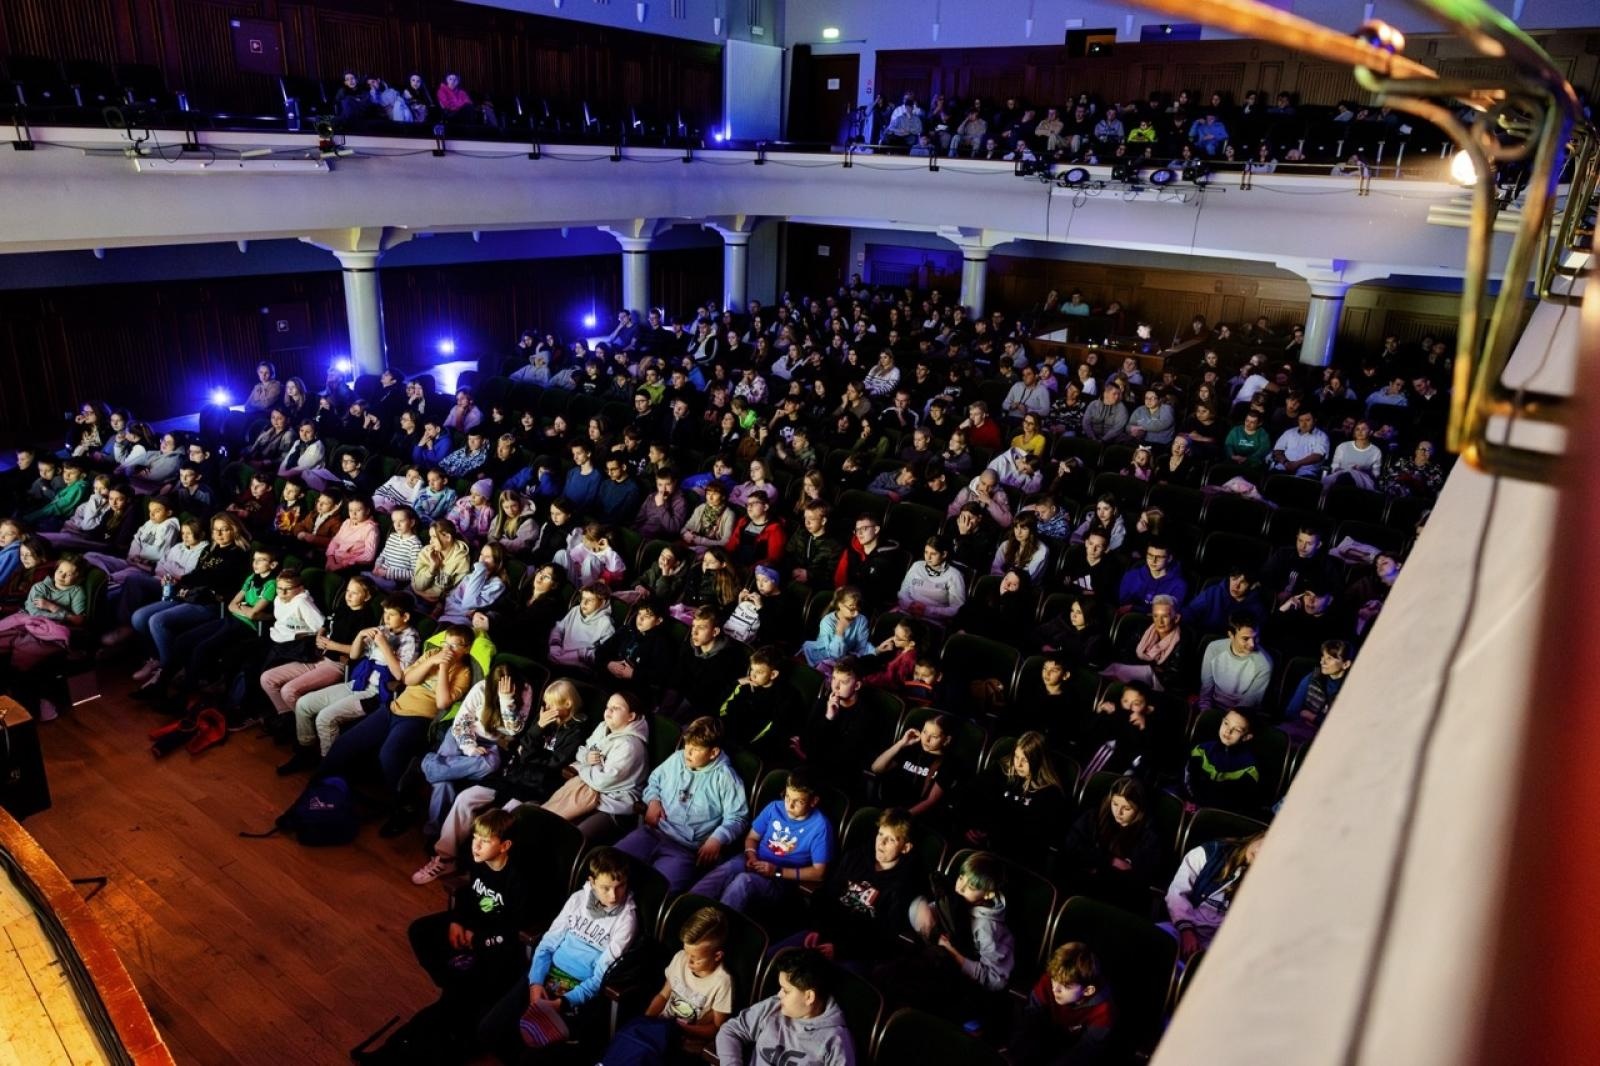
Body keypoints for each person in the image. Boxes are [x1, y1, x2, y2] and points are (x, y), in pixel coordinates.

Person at [475, 847, 638, 1061]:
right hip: (546, 974)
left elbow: (600, 976)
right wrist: (535, 984)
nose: (614, 895)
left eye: (620, 886)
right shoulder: (578, 899)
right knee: (488, 1030)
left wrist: (564, 1002)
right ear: (592, 881)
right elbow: (547, 945)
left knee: (531, 1057)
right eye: (606, 887)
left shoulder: (626, 919)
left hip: (576, 990)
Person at [615, 716, 750, 891]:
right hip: (653, 833)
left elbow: (738, 817)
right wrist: (653, 800)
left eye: (695, 749)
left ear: (714, 752)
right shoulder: (677, 758)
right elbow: (654, 781)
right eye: (687, 745)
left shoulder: (725, 777)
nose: (688, 752)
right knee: (612, 865)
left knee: (657, 891)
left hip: (684, 850)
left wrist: (718, 838)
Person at [690, 768, 835, 914]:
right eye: (787, 797)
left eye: (799, 802)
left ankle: (715, 924)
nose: (789, 805)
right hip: (755, 860)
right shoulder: (774, 808)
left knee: (744, 881)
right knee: (726, 870)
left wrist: (777, 871)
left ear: (813, 801)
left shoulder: (820, 826)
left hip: (780, 879)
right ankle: (686, 907)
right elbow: (752, 838)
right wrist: (751, 855)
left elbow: (819, 873)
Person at [601, 906, 734, 1064]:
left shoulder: (722, 982)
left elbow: (717, 1029)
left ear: (717, 956)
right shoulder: (680, 958)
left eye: (695, 958)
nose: (688, 961)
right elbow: (663, 995)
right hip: (659, 1029)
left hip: (686, 1042)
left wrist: (679, 1028)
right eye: (686, 952)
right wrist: (646, 1021)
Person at [714, 949, 856, 1066]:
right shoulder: (774, 1006)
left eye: (786, 991)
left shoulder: (835, 1040)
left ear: (809, 997)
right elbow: (731, 1031)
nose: (779, 994)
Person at [1061, 775, 1166, 913]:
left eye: (1127, 808)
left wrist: (1095, 862)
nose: (1118, 812)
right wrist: (1110, 860)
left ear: (1139, 809)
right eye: (1115, 804)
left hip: (1118, 901)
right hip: (1083, 888)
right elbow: (1071, 845)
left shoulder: (1149, 835)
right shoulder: (1095, 816)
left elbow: (1138, 876)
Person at [1009, 942, 1118, 1066]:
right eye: (1054, 979)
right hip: (1042, 1039)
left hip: (1070, 1052)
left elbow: (1085, 1051)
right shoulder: (1050, 981)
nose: (1055, 988)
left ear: (1088, 990)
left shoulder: (1104, 1011)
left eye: (1065, 986)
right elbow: (1029, 1019)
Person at [1165, 832, 1266, 959]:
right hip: (1183, 927)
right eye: (1266, 844)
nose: (1263, 854)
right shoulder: (1210, 852)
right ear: (1260, 836)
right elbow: (1176, 893)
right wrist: (1186, 931)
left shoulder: (1268, 879)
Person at [870, 713, 960, 819]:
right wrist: (901, 743)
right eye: (924, 732)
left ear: (946, 740)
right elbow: (876, 768)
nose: (926, 739)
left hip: (910, 815)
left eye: (934, 736)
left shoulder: (949, 763)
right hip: (885, 806)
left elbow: (931, 800)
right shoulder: (910, 749)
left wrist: (903, 816)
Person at [1184, 708, 1264, 813]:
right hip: (1191, 801)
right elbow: (1188, 777)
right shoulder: (1202, 749)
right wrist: (1190, 799)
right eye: (1226, 723)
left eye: (1237, 730)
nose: (1228, 731)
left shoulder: (1249, 768)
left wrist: (1202, 808)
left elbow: (1236, 801)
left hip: (1218, 812)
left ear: (1247, 737)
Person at [1195, 616, 1274, 711]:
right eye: (1246, 639)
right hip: (1211, 707)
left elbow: (1249, 703)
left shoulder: (1264, 664)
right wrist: (1206, 713)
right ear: (1231, 635)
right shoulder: (1214, 648)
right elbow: (1206, 691)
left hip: (1239, 715)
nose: (1252, 644)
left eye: (1256, 637)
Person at [1283, 638, 1353, 743]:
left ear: (1346, 664)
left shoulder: (1351, 689)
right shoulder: (1313, 677)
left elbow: (1340, 726)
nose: (1322, 662)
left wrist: (1312, 717)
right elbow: (1291, 711)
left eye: (1329, 658)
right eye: (1323, 656)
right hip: (1300, 729)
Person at [801, 585, 874, 670]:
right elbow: (834, 655)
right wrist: (839, 634)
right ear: (840, 605)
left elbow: (861, 647)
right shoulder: (827, 622)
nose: (856, 613)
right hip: (826, 657)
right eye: (852, 609)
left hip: (847, 658)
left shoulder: (861, 620)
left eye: (858, 608)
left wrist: (876, 651)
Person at [896, 535, 966, 621]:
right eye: (926, 552)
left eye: (933, 554)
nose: (928, 557)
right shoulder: (917, 566)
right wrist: (910, 605)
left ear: (944, 554)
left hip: (931, 620)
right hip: (907, 613)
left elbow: (956, 608)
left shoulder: (954, 575)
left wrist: (926, 610)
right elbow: (903, 592)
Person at [548, 581, 616, 669]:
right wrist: (555, 646)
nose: (584, 603)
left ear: (602, 603)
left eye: (590, 600)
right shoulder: (575, 610)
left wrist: (579, 654)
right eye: (583, 598)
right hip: (559, 654)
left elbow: (603, 654)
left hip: (579, 666)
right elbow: (559, 629)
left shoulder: (606, 625)